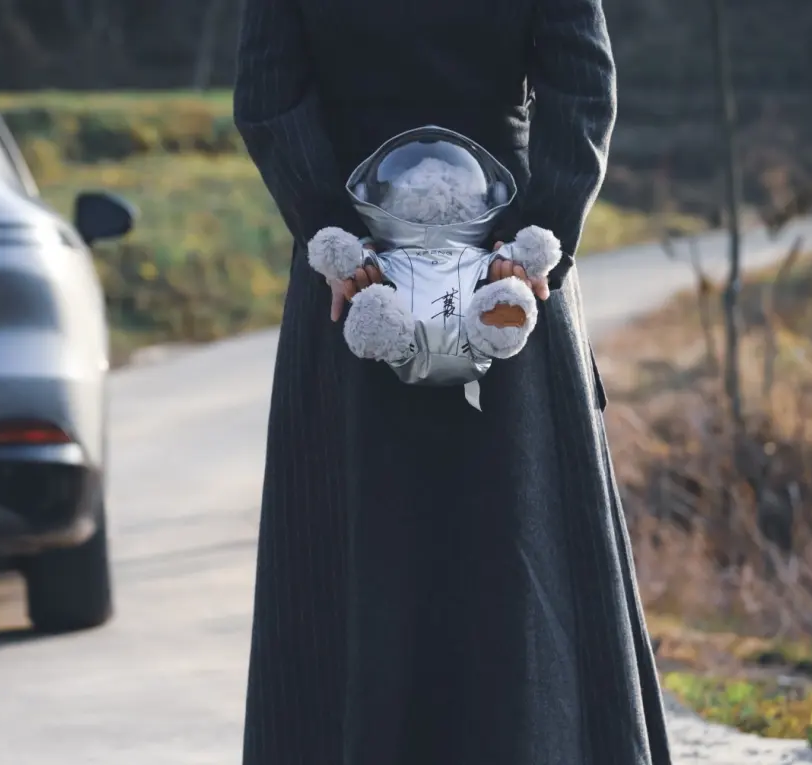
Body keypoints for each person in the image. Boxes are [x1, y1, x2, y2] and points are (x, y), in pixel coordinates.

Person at [233, 0, 672, 763]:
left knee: (374, 558)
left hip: (368, 280)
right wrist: (535, 240)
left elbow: (270, 97)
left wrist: (340, 237)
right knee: (513, 557)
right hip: (502, 272)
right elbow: (581, 84)